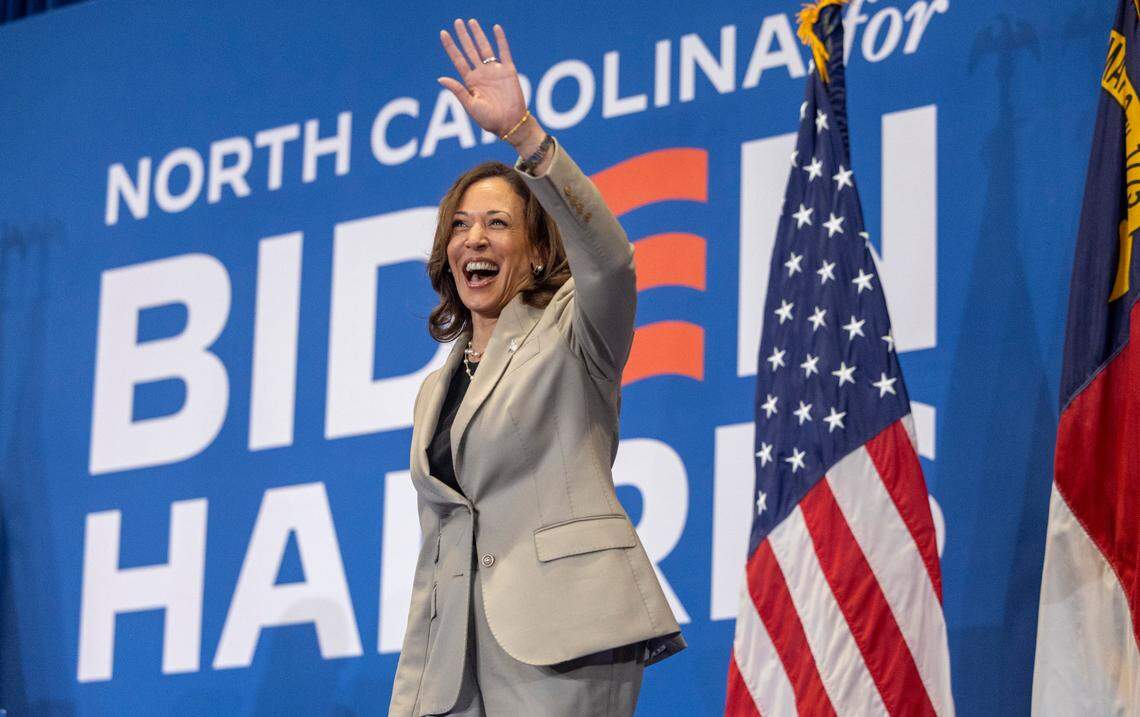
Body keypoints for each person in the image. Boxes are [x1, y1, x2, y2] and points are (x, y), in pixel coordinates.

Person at [389, 19, 685, 716]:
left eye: (496, 222)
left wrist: (524, 134)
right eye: (459, 225)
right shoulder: (437, 388)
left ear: (534, 247)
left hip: (565, 640)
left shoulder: (576, 332)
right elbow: (440, 556)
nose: (474, 238)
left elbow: (612, 257)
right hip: (458, 669)